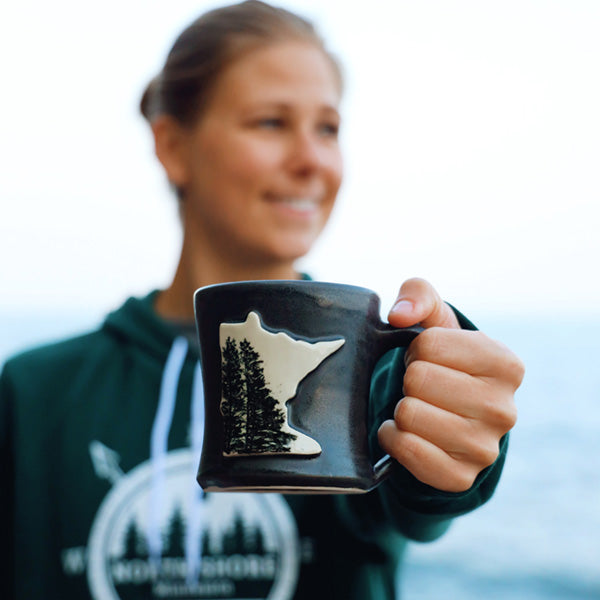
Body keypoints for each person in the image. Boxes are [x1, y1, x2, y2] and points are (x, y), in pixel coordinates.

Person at [0, 1, 524, 599]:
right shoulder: (32, 393)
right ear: (173, 146)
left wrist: (455, 447)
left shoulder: (367, 375)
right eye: (271, 122)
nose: (312, 160)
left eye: (328, 127)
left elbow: (420, 506)